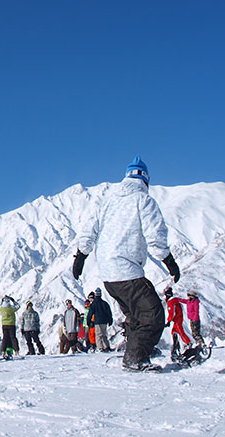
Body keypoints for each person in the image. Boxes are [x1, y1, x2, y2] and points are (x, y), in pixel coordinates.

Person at [73, 156, 180, 372]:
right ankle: (135, 357)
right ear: (146, 181)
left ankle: (138, 349)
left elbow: (89, 229)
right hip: (127, 271)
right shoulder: (143, 200)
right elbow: (154, 234)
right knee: (154, 316)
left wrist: (80, 257)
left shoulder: (107, 201)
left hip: (108, 276)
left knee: (135, 316)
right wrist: (169, 261)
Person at [164, 288, 191, 359]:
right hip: (179, 317)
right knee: (174, 332)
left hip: (177, 319)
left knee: (180, 331)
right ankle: (176, 347)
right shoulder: (175, 300)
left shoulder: (171, 302)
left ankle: (188, 343)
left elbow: (171, 313)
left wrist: (169, 321)